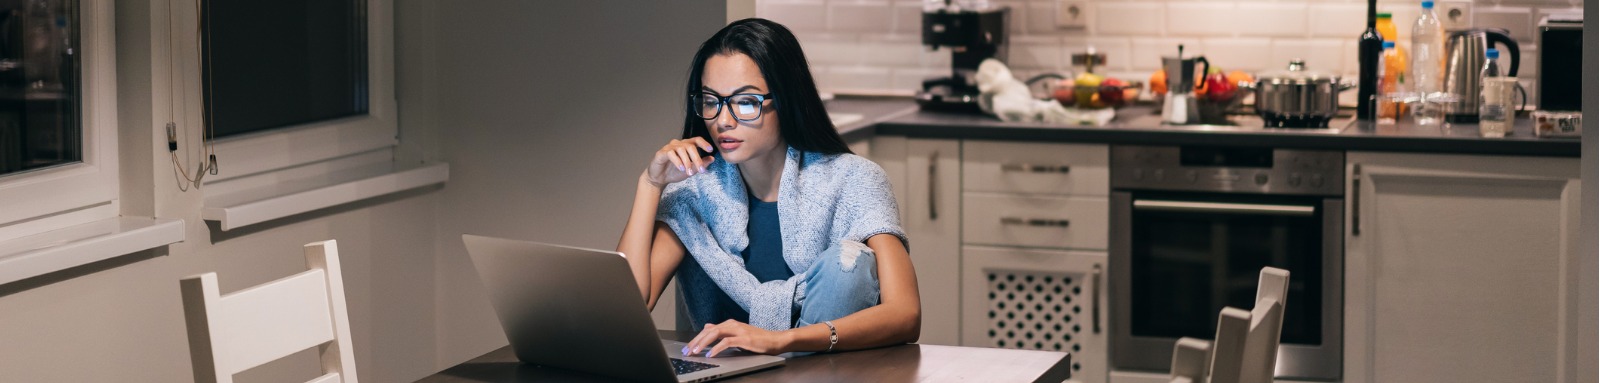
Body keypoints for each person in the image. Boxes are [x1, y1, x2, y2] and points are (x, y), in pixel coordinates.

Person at [615, 18, 920, 358]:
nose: (723, 120)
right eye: (711, 101)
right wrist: (650, 183)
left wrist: (782, 340)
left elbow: (905, 314)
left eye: (745, 102)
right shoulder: (695, 193)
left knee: (847, 264)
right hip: (725, 373)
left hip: (829, 376)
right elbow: (626, 309)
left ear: (786, 100)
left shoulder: (854, 180)